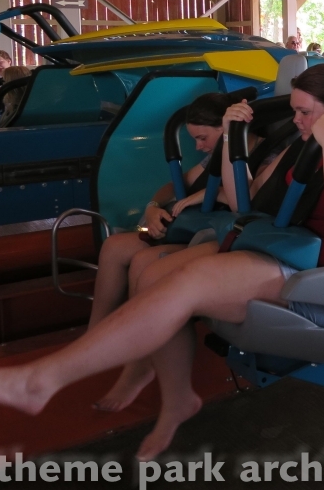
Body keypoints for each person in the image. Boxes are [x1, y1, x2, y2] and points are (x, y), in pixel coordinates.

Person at [0, 64, 324, 461]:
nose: (295, 121)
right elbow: (248, 202)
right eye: (294, 111)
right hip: (285, 250)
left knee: (190, 281)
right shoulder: (301, 147)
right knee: (156, 271)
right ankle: (177, 396)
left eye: (304, 112)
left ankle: (40, 381)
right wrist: (231, 137)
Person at [84, 92, 234, 411]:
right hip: (194, 229)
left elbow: (254, 193)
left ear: (225, 128)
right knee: (113, 247)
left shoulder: (250, 150)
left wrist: (211, 193)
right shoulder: (214, 156)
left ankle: (141, 363)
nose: (198, 146)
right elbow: (173, 185)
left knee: (144, 263)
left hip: (219, 234)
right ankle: (94, 337)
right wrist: (153, 209)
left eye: (203, 138)